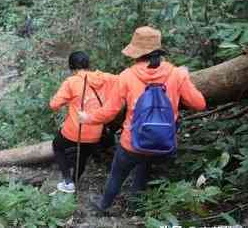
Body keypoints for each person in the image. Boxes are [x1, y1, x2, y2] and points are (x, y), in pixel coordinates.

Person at [78, 26, 206, 213]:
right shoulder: (176, 74)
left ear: (136, 53)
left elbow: (109, 112)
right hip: (164, 144)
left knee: (117, 173)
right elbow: (200, 104)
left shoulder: (127, 76)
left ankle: (103, 205)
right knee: (145, 165)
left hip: (132, 142)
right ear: (158, 51)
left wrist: (88, 117)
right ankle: (135, 206)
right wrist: (184, 76)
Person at [50, 51, 117, 193]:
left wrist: (66, 99)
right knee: (83, 155)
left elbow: (54, 105)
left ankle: (68, 181)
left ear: (71, 66)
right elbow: (123, 83)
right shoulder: (105, 78)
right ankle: (74, 181)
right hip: (96, 132)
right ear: (88, 64)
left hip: (74, 131)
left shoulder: (71, 82)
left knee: (57, 146)